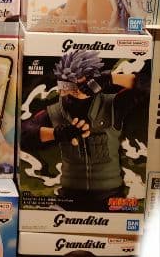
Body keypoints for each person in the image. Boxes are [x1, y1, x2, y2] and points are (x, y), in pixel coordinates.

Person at [21, 50, 149, 212]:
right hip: (69, 197)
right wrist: (59, 133)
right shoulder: (56, 111)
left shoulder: (112, 105)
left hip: (109, 196)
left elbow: (148, 87)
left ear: (93, 81)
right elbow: (24, 134)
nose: (72, 89)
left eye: (79, 84)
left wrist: (110, 78)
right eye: (66, 84)